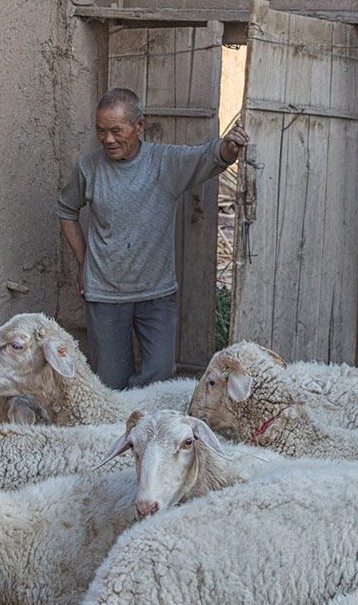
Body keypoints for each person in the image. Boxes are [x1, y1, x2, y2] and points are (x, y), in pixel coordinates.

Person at [57, 87, 248, 389]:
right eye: (101, 131)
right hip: (105, 295)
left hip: (157, 294)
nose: (107, 139)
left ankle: (144, 426)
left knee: (160, 374)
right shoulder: (88, 168)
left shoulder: (164, 163)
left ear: (139, 126)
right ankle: (118, 430)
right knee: (110, 382)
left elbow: (208, 157)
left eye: (116, 130)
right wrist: (83, 264)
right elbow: (66, 211)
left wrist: (229, 148)